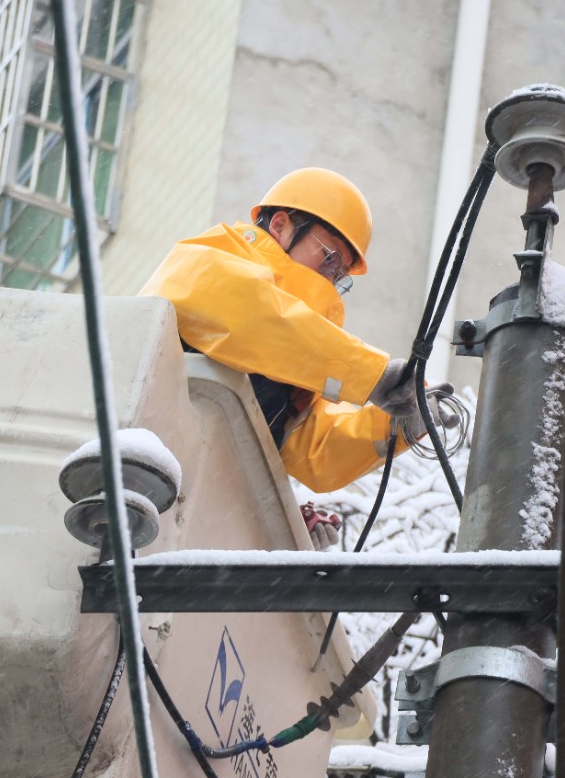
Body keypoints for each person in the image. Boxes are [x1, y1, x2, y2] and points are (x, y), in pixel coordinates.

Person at [140, 168, 427, 543]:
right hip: (134, 485)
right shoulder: (203, 261)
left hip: (175, 518)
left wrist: (398, 426)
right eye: (328, 259)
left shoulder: (295, 355)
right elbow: (252, 317)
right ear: (279, 225)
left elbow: (310, 447)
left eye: (339, 274)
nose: (330, 280)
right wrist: (372, 376)